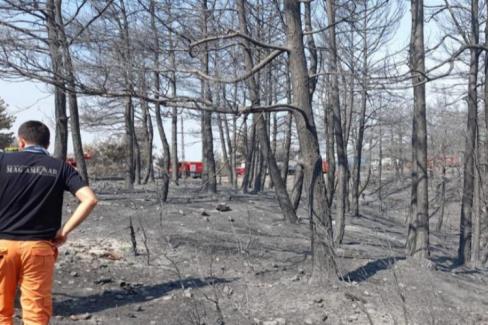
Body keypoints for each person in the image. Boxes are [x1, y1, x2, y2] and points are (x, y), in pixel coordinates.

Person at [0, 121, 97, 325]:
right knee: (36, 315)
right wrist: (64, 231)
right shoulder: (60, 168)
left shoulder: (2, 160)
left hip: (2, 246)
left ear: (21, 141)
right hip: (39, 249)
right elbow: (89, 199)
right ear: (47, 144)